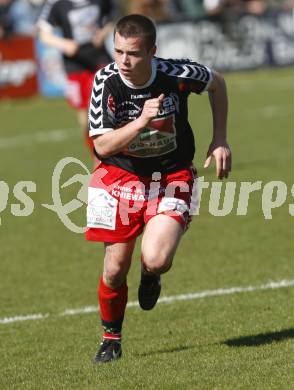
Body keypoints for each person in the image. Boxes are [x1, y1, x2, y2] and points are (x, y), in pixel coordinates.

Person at [86, 13, 231, 363]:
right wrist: (141, 122)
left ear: (153, 51)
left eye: (133, 53)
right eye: (118, 51)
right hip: (120, 178)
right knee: (114, 268)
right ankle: (111, 339)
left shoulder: (176, 74)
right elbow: (102, 147)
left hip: (171, 176)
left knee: (157, 259)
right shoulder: (105, 81)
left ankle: (150, 276)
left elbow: (217, 83)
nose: (123, 60)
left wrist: (220, 139)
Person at [36, 0, 119, 157]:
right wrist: (63, 44)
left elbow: (113, 16)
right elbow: (44, 35)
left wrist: (103, 32)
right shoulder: (56, 4)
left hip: (99, 59)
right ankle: (98, 155)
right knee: (86, 116)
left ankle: (117, 150)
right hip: (75, 64)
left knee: (109, 105)